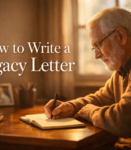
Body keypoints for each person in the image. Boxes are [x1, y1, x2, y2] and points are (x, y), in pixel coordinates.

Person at [44, 7, 131, 149]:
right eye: (94, 48)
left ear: (121, 36)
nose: (96, 55)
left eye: (99, 44)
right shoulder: (122, 71)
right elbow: (101, 98)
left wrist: (89, 111)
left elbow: (122, 120)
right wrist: (71, 106)